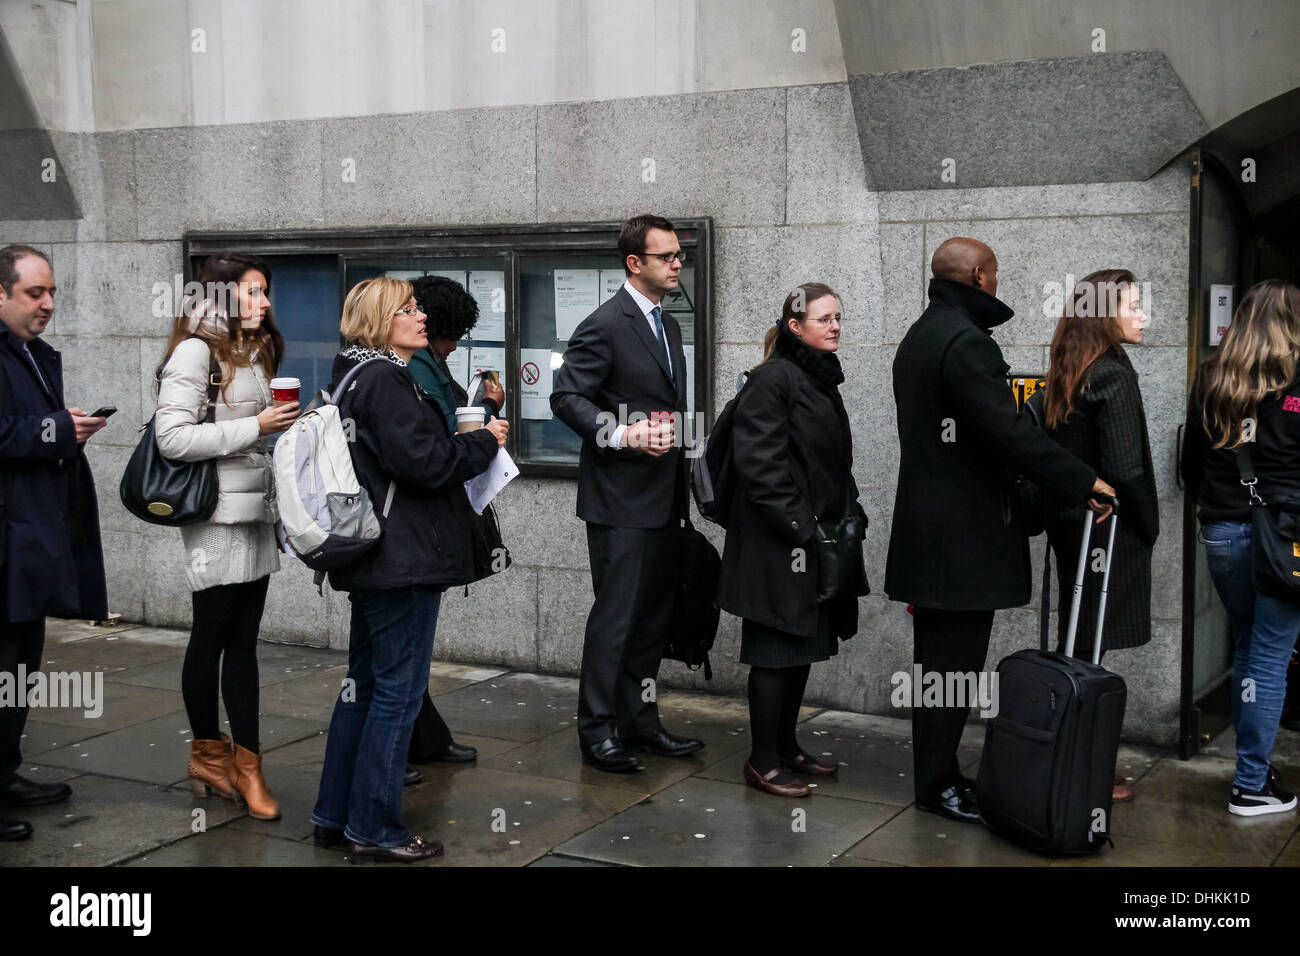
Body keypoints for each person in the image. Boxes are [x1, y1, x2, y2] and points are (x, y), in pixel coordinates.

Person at [885, 237, 1114, 824]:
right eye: (997, 275)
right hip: (960, 540)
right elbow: (1010, 432)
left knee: (941, 665)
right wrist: (1083, 479)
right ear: (980, 275)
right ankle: (937, 785)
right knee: (952, 668)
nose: (998, 283)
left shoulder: (924, 334)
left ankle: (935, 777)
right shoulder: (964, 342)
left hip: (936, 535)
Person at [311, 277, 506, 861]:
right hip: (404, 557)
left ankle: (334, 814)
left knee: (363, 687)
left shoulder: (350, 374)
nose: (421, 317)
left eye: (418, 308)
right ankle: (374, 828)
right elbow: (426, 463)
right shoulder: (386, 379)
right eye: (408, 309)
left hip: (374, 554)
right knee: (398, 693)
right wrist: (485, 442)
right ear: (379, 319)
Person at [551, 213, 704, 772]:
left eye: (679, 254)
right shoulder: (604, 323)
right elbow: (566, 397)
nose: (676, 263)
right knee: (616, 618)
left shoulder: (669, 324)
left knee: (650, 622)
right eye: (665, 256)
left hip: (663, 498)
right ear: (634, 263)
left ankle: (640, 722)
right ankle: (596, 732)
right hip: (619, 502)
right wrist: (620, 433)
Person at [154, 252, 298, 821]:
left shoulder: (252, 352)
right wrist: (255, 427)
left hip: (253, 511)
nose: (265, 303)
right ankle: (210, 755)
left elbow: (252, 432)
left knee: (243, 641)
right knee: (211, 636)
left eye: (265, 292)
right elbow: (172, 438)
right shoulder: (195, 351)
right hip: (215, 517)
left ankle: (246, 763)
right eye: (254, 292)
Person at [717, 283, 862, 797]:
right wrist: (805, 529)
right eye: (824, 319)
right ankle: (761, 760)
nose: (835, 326)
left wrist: (847, 515)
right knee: (775, 650)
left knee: (800, 646)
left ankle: (785, 747)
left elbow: (827, 462)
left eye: (839, 317)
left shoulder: (817, 380)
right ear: (795, 327)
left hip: (810, 540)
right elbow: (761, 468)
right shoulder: (774, 379)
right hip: (776, 545)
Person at [1031, 269, 1158, 804]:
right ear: (1105, 314)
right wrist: (1148, 524)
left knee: (1076, 637)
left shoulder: (1070, 367)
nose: (1144, 316)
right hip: (1104, 528)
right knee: (1088, 645)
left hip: (1073, 525)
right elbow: (1127, 467)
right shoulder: (1112, 375)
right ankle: (1082, 762)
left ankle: (1064, 751)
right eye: (1133, 306)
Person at [0, 244, 108, 842]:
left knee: (19, 664)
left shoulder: (30, 354)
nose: (47, 304)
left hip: (29, 538)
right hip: (10, 538)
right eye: (33, 293)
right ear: (1, 293)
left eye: (52, 292)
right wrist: (57, 428)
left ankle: (5, 773)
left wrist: (65, 429)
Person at [1181, 279, 1300, 817]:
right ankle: (1251, 783)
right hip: (1285, 537)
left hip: (1223, 532)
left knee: (1251, 648)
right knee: (1270, 655)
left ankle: (1253, 771)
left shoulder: (1211, 378)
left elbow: (1191, 466)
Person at [395, 272, 508, 768]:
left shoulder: (425, 366)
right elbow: (438, 447)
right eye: (451, 334)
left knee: (410, 650)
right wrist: (486, 419)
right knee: (402, 654)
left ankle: (421, 736)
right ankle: (396, 754)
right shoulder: (410, 372)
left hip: (433, 522)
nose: (454, 344)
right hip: (418, 529)